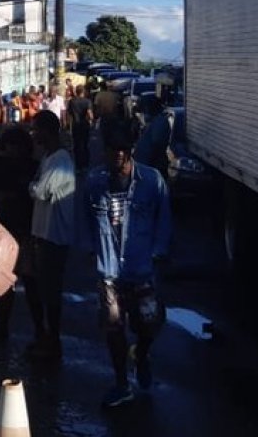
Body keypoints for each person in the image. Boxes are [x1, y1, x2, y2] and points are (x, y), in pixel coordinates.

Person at [85, 122, 172, 407]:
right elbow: (86, 219)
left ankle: (142, 354)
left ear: (131, 150)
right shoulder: (94, 182)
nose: (118, 156)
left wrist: (158, 252)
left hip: (141, 267)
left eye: (123, 150)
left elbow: (164, 219)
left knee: (150, 323)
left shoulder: (152, 180)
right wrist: (91, 251)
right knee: (113, 328)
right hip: (109, 270)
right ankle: (122, 383)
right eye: (113, 150)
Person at [24, 110, 75, 359]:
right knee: (35, 285)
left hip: (54, 236)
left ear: (47, 131)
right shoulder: (48, 157)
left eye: (36, 129)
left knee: (50, 291)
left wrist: (31, 186)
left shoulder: (61, 160)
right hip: (40, 232)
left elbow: (40, 191)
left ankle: (53, 341)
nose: (33, 134)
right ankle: (42, 335)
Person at [0, 127, 37, 341]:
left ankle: (20, 329)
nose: (13, 150)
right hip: (13, 229)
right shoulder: (28, 166)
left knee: (23, 282)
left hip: (17, 230)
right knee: (10, 281)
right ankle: (8, 327)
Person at [133, 97, 172, 179]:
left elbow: (157, 142)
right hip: (146, 162)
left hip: (148, 162)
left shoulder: (159, 121)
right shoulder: (156, 121)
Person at [67, 85, 94, 171]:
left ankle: (78, 165)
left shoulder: (72, 101)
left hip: (75, 125)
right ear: (83, 91)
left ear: (76, 91)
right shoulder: (87, 101)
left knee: (76, 145)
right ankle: (85, 164)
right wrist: (91, 119)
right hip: (84, 125)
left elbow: (69, 114)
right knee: (85, 144)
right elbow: (90, 114)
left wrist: (68, 125)